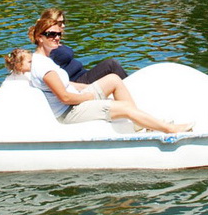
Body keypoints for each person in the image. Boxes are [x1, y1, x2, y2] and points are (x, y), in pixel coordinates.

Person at [25, 16, 192, 133]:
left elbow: (65, 85)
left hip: (77, 99)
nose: (57, 37)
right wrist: (89, 96)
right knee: (124, 107)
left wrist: (86, 88)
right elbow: (65, 98)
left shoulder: (45, 59)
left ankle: (140, 123)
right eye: (51, 34)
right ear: (40, 38)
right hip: (70, 112)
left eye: (58, 33)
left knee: (113, 79)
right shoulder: (44, 66)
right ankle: (170, 130)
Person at [32, 8, 128, 84]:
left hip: (84, 74)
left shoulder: (55, 42)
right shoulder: (48, 48)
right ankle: (131, 92)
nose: (64, 25)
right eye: (60, 23)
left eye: (64, 22)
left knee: (111, 67)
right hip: (78, 81)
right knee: (111, 64)